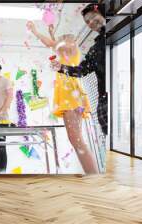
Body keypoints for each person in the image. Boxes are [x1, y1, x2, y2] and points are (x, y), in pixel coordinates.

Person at [27, 22, 99, 174]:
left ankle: (94, 177)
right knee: (77, 140)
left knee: (77, 141)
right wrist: (52, 33)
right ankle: (93, 175)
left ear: (70, 41)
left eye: (61, 39)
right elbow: (55, 46)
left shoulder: (70, 48)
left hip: (71, 97)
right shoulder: (67, 53)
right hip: (71, 97)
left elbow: (51, 44)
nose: (58, 42)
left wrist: (35, 31)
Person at [52, 3, 107, 136]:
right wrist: (62, 67)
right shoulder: (95, 49)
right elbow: (82, 70)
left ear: (103, 13)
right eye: (87, 21)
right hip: (104, 99)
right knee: (109, 136)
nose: (91, 22)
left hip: (121, 94)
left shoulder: (117, 33)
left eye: (93, 17)